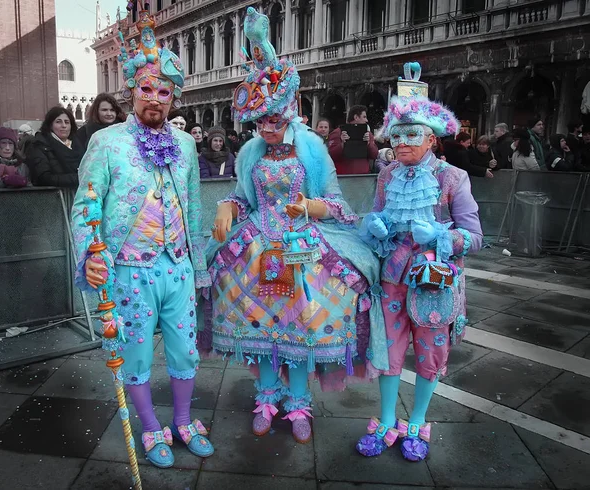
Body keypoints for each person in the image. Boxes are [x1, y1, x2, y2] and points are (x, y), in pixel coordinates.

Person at [204, 7, 380, 445]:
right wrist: (227, 206)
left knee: (301, 326)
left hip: (304, 250)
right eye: (260, 121)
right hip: (257, 248)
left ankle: (298, 402)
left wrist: (315, 207)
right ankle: (266, 396)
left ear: (290, 114)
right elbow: (242, 196)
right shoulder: (249, 155)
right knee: (261, 326)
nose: (268, 128)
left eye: (275, 120)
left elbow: (338, 202)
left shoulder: (313, 149)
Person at [70, 6, 214, 469]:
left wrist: (199, 265)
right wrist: (89, 253)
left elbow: (192, 207)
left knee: (185, 348)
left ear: (175, 97)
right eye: (146, 89)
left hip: (177, 266)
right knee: (133, 354)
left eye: (164, 91)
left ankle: (185, 420)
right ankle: (151, 426)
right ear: (132, 90)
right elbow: (86, 206)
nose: (155, 98)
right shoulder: (107, 142)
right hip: (130, 268)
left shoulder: (187, 145)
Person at [356, 61, 482, 462]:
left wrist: (442, 236)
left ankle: (419, 421)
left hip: (434, 279)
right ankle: (389, 418)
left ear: (431, 139)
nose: (404, 142)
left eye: (413, 134)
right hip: (392, 276)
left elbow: (476, 236)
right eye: (398, 135)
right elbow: (376, 217)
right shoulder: (387, 174)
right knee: (389, 350)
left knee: (430, 351)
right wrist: (373, 226)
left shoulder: (452, 178)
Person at [26, 107, 80, 188]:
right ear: (50, 125)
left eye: (67, 122)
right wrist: (78, 178)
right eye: (58, 122)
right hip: (53, 198)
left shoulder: (78, 145)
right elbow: (43, 178)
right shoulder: (39, 145)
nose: (64, 126)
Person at [328, 105, 379, 174]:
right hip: (344, 178)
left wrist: (368, 144)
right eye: (364, 117)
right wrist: (342, 145)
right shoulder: (338, 133)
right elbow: (331, 155)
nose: (366, 120)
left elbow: (375, 155)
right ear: (356, 117)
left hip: (363, 177)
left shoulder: (368, 134)